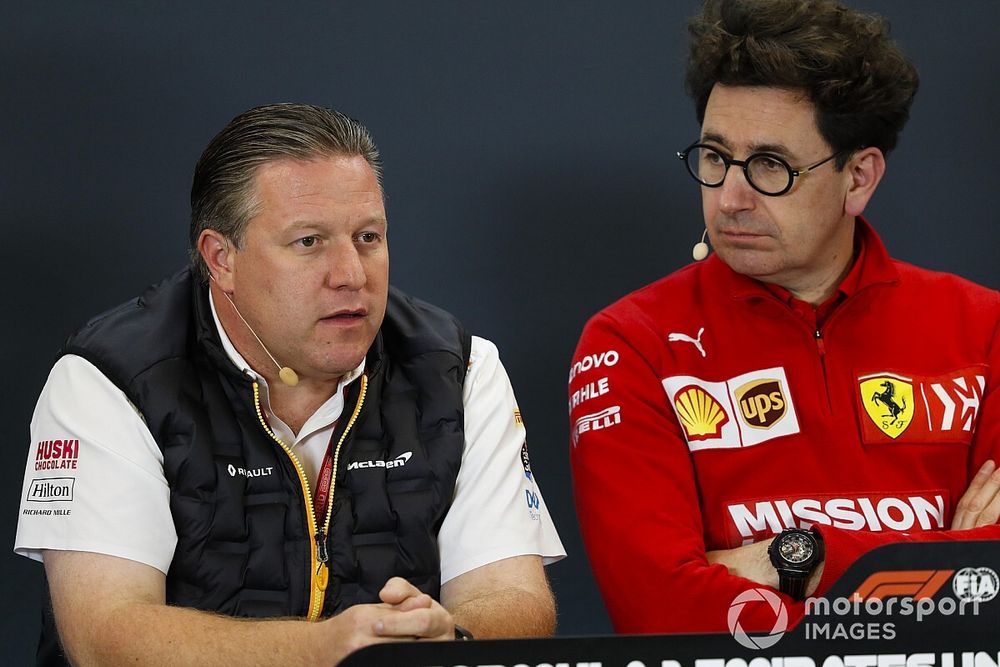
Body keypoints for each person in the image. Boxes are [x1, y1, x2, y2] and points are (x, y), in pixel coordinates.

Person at [15, 103, 565, 665]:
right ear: (220, 258)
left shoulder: (458, 368)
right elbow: (106, 636)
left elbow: (513, 595)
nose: (350, 273)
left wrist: (449, 638)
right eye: (309, 242)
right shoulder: (109, 378)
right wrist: (327, 652)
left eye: (368, 237)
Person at [569, 0, 1000, 634]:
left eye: (771, 166)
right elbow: (660, 611)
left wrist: (801, 561)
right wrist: (941, 576)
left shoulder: (984, 327)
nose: (731, 197)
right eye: (715, 157)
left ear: (859, 178)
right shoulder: (630, 343)